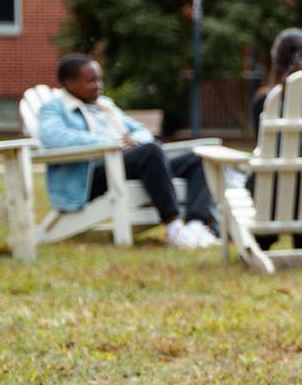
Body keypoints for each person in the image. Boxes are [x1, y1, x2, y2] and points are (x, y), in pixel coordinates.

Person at [37, 54, 219, 248]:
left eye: (99, 79)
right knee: (150, 151)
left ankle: (195, 225)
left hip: (125, 164)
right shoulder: (54, 108)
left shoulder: (105, 105)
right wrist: (112, 142)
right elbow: (54, 137)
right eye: (91, 81)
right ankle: (174, 227)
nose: (98, 85)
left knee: (198, 158)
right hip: (89, 174)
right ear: (69, 83)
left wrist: (133, 141)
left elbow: (141, 130)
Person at [249, 28, 302, 249]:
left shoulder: (264, 102)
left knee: (262, 176)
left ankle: (263, 237)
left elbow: (262, 149)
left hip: (273, 198)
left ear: (276, 61)